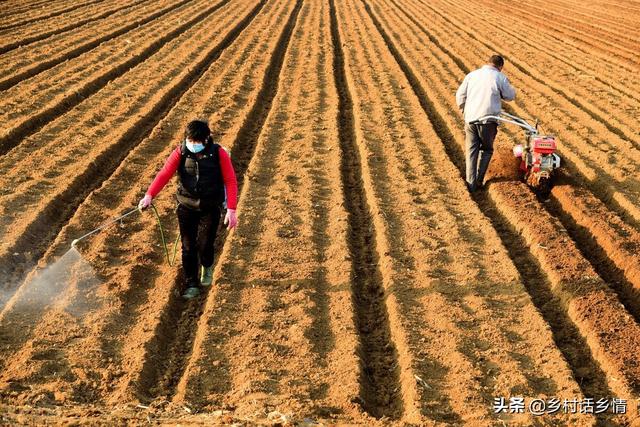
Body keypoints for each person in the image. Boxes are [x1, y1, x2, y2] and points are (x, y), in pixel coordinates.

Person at [138, 120, 238, 299]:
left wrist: (231, 209)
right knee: (188, 246)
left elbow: (230, 180)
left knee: (205, 244)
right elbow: (164, 174)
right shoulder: (181, 152)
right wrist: (149, 195)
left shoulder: (218, 153)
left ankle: (207, 266)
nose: (194, 145)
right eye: (191, 140)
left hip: (209, 206)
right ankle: (191, 283)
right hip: (186, 205)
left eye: (197, 142)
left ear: (206, 139)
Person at [456, 54, 516, 192]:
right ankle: (479, 180)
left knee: (471, 151)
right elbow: (510, 96)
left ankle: (470, 185)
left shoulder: (472, 75)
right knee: (487, 149)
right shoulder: (500, 77)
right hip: (488, 121)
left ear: (488, 63)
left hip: (470, 119)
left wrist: (464, 110)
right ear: (500, 67)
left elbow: (460, 95)